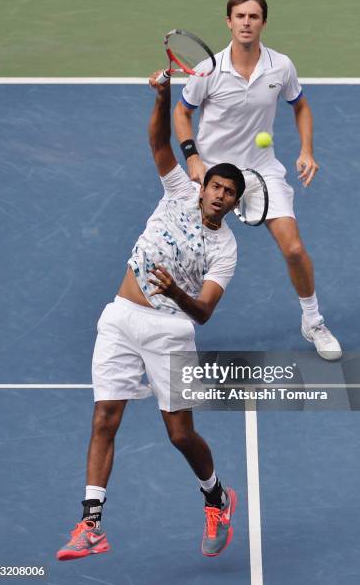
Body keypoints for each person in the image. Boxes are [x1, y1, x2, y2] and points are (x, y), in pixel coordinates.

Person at [56, 71, 245, 561]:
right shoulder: (179, 191)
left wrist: (174, 293)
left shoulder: (226, 249)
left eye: (228, 192)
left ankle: (217, 497)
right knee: (105, 418)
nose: (219, 194)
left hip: (171, 331)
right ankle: (91, 524)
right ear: (203, 187)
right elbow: (159, 141)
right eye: (215, 186)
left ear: (234, 204)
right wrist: (162, 98)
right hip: (120, 316)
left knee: (179, 433)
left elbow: (202, 310)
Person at [173, 0, 342, 361]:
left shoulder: (280, 66)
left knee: (294, 249)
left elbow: (301, 106)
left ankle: (312, 322)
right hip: (213, 173)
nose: (246, 23)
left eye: (253, 17)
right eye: (240, 17)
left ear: (263, 22)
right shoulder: (208, 70)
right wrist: (192, 158)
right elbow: (182, 112)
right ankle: (165, 327)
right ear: (229, 22)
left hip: (261, 171)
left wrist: (306, 150)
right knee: (179, 250)